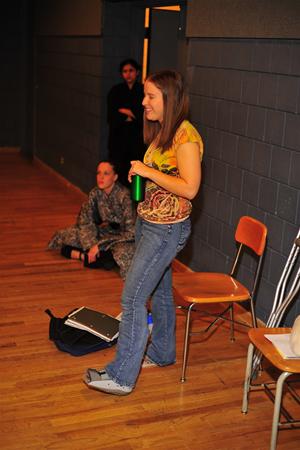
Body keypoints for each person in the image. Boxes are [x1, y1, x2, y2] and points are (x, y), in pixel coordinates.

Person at [85, 70, 204, 395]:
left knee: (134, 297)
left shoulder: (186, 137)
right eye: (145, 95)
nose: (143, 101)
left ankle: (122, 376)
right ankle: (163, 353)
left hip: (166, 230)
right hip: (149, 224)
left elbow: (191, 188)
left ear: (170, 99)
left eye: (151, 96)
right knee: (161, 292)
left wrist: (149, 171)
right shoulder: (162, 132)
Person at [47, 160, 135, 280]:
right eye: (98, 173)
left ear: (115, 177)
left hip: (122, 239)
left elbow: (131, 233)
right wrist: (91, 246)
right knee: (66, 236)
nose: (101, 177)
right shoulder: (95, 193)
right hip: (105, 233)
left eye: (106, 173)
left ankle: (96, 258)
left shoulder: (125, 196)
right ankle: (87, 257)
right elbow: (85, 221)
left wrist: (100, 246)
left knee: (121, 253)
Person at [107, 58, 146, 187]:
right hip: (119, 138)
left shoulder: (143, 90)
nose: (128, 74)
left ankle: (136, 201)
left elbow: (143, 114)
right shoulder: (115, 91)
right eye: (125, 71)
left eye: (131, 70)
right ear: (121, 74)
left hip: (137, 139)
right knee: (119, 168)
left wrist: (127, 112)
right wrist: (131, 114)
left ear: (137, 72)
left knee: (136, 171)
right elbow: (112, 115)